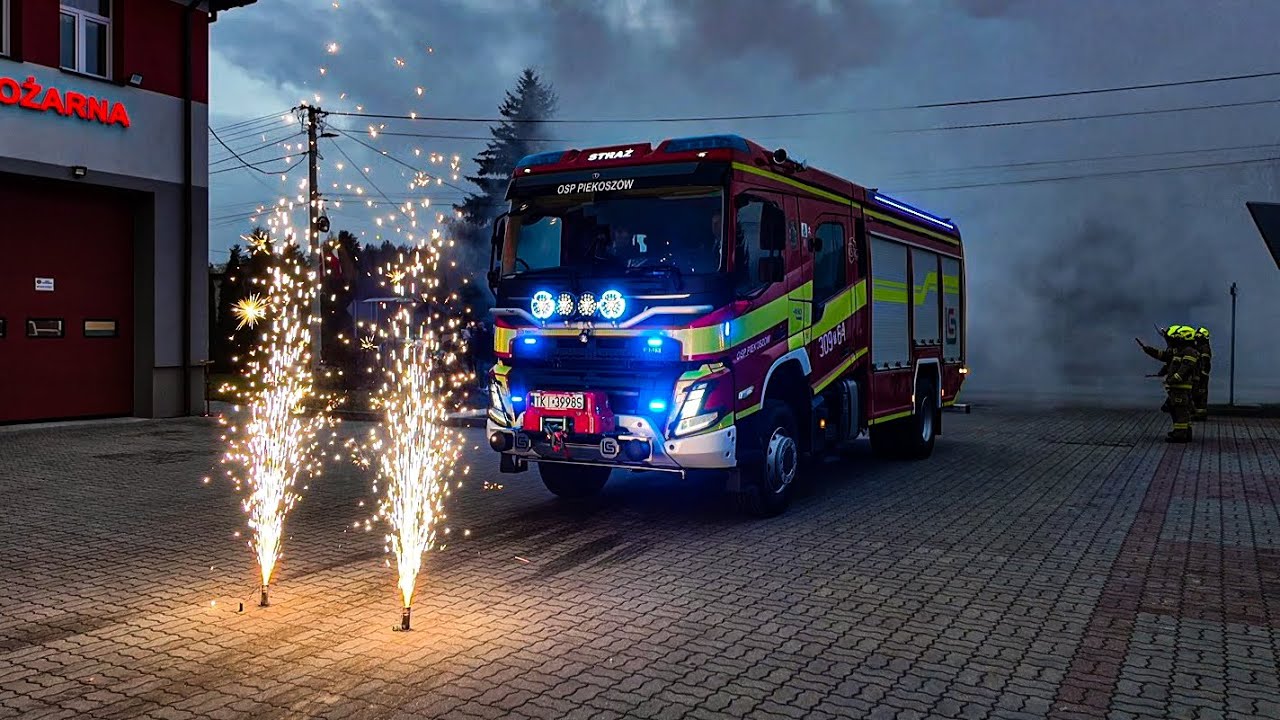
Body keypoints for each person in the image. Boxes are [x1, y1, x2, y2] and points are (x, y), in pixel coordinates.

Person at [1137, 325, 1201, 443]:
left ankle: (1180, 435)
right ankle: (1183, 431)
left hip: (1181, 387)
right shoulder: (1180, 350)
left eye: (1174, 338)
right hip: (1176, 387)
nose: (1171, 341)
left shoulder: (1189, 351)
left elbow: (1185, 368)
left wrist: (1174, 378)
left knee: (1180, 411)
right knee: (1176, 409)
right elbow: (1165, 356)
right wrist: (1148, 350)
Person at [1193, 327, 1212, 421]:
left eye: (1198, 337)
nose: (1196, 338)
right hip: (1199, 375)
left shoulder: (1204, 349)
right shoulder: (1201, 347)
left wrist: (1203, 375)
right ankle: (1198, 413)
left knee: (1201, 394)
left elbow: (1206, 363)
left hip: (1202, 376)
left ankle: (1201, 415)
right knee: (1198, 394)